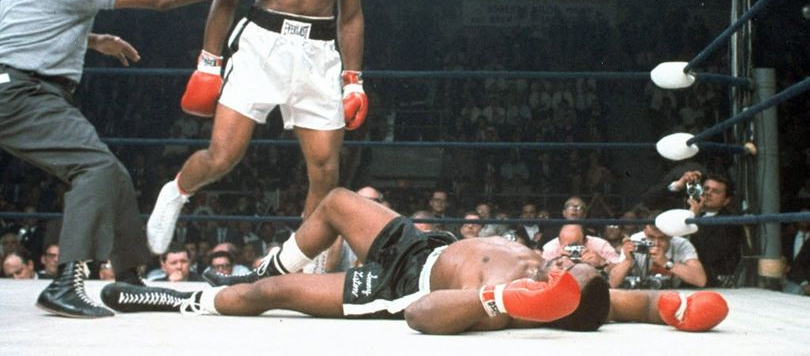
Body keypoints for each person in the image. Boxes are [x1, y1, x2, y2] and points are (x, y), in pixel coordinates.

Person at [0, 0, 287, 318]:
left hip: (22, 88)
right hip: (23, 93)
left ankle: (130, 281)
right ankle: (66, 281)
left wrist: (94, 39)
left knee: (112, 174)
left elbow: (29, 23)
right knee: (95, 170)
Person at [101, 188, 729, 335]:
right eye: (575, 264)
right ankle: (264, 264)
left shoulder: (531, 301)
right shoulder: (581, 287)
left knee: (271, 298)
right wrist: (679, 308)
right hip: (427, 244)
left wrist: (507, 301)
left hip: (404, 280)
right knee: (340, 200)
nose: (567, 261)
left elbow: (423, 317)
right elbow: (650, 303)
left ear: (560, 299)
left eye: (573, 270)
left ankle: (168, 295)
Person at [147, 0, 369, 255]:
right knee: (223, 155)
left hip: (319, 53)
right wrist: (209, 62)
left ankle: (305, 260)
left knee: (325, 170)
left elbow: (350, 17)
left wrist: (353, 79)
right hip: (261, 45)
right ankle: (176, 192)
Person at [609, 219, 707, 289]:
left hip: (673, 295)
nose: (656, 243)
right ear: (644, 232)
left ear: (670, 235)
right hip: (642, 295)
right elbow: (613, 283)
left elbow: (700, 280)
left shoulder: (681, 244)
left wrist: (666, 262)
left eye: (662, 238)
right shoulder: (635, 240)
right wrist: (627, 261)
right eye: (651, 237)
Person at [686, 174, 743, 287]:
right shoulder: (693, 213)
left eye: (715, 191)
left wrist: (694, 219)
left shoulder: (730, 222)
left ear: (726, 200)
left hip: (713, 281)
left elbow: (707, 253)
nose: (708, 193)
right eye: (706, 189)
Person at [541, 224, 621, 271]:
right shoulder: (550, 248)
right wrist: (556, 263)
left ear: (585, 241)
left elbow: (620, 270)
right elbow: (541, 275)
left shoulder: (600, 245)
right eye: (565, 246)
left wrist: (603, 263)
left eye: (573, 245)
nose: (570, 250)